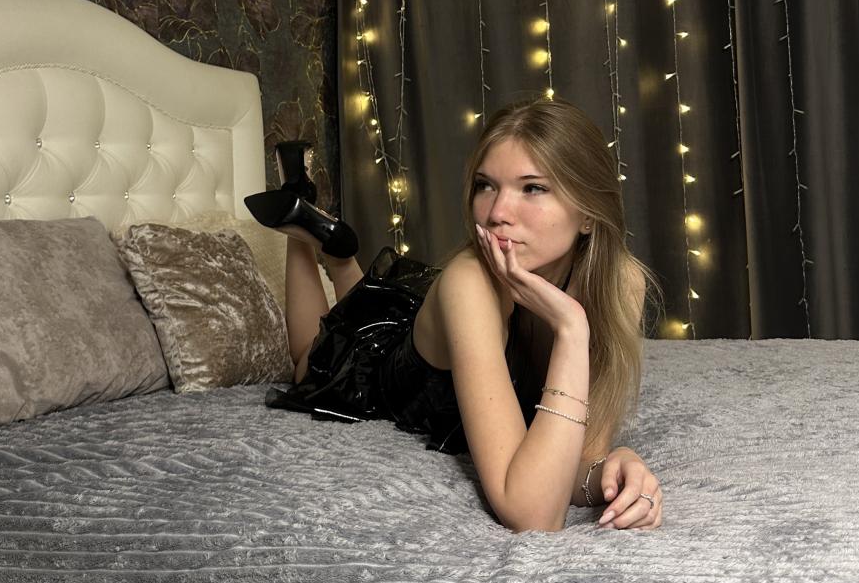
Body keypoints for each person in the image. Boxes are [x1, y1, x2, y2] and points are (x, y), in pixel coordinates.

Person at [245, 99, 662, 533]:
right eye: (486, 185)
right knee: (307, 359)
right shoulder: (471, 281)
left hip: (423, 318)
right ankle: (299, 217)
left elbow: (571, 463)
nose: (497, 213)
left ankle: (338, 255)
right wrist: (572, 328)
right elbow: (534, 514)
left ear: (589, 214)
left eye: (533, 188)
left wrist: (614, 469)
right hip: (378, 365)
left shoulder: (620, 282)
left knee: (364, 308)